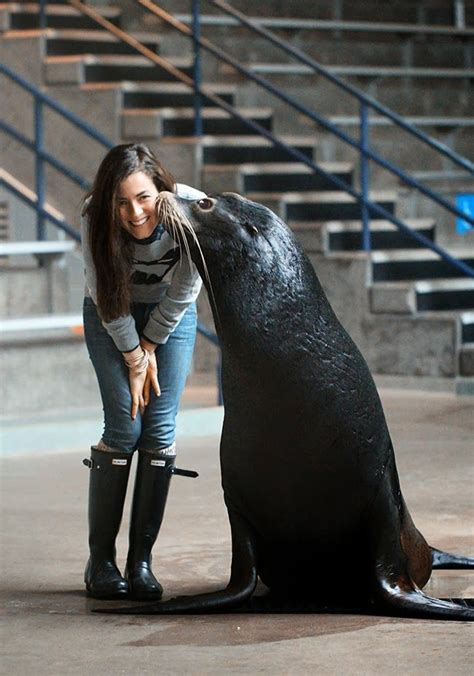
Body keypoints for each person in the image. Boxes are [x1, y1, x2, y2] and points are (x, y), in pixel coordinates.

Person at [81, 143, 205, 600]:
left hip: (171, 317)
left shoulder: (188, 211)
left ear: (161, 190)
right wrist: (134, 357)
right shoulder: (93, 215)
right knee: (124, 424)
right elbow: (103, 293)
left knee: (159, 430)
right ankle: (101, 563)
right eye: (122, 202)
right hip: (111, 312)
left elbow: (187, 286)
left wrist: (151, 344)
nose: (135, 213)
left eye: (144, 198)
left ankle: (141, 563)